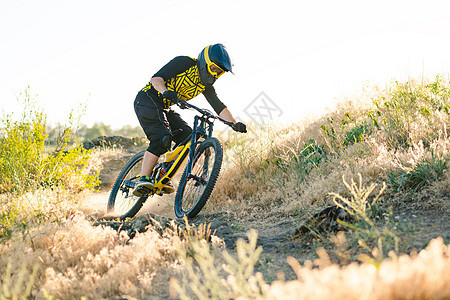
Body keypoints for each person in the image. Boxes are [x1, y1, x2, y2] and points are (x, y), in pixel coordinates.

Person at [133, 43, 247, 196]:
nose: (214, 75)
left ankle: (163, 173)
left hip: (165, 107)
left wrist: (234, 124)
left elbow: (219, 106)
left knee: (189, 138)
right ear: (205, 62)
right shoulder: (184, 63)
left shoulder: (205, 86)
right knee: (162, 138)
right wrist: (165, 91)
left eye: (219, 73)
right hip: (147, 99)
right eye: (214, 69)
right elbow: (156, 79)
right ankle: (143, 179)